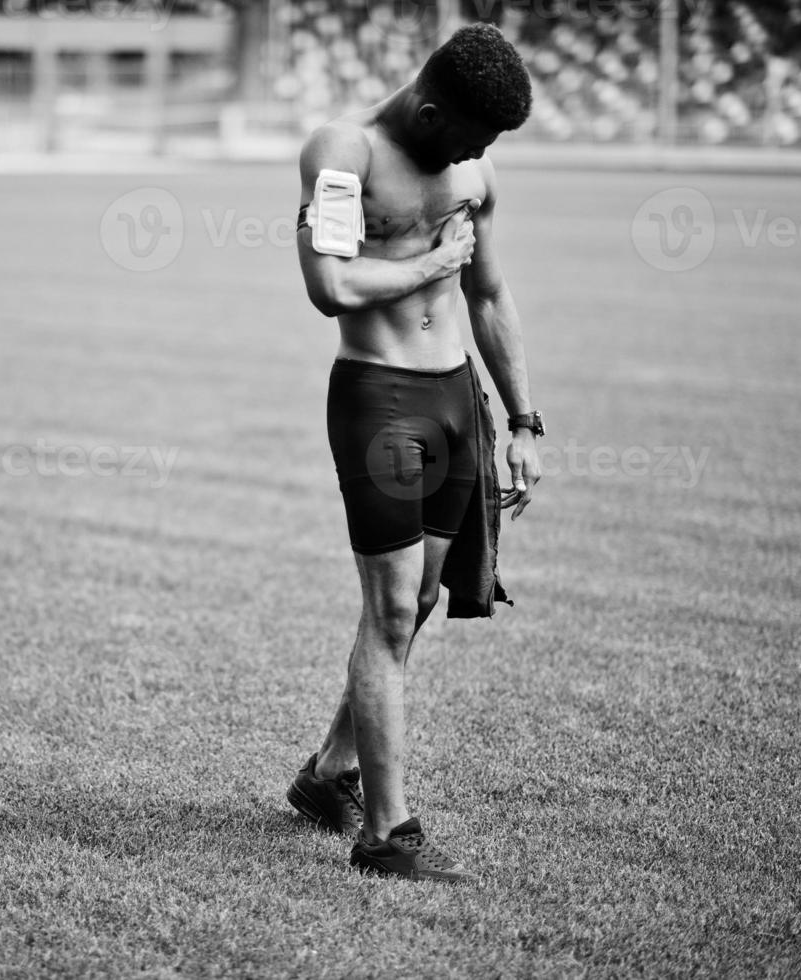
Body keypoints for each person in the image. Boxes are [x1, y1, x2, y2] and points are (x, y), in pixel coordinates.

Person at [285, 24, 545, 883]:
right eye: (472, 134)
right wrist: (427, 260)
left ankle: (328, 775)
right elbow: (330, 287)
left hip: (454, 399)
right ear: (429, 109)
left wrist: (522, 420)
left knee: (424, 597)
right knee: (391, 613)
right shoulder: (342, 151)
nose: (478, 154)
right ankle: (387, 836)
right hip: (380, 398)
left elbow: (490, 290)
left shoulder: (475, 169)